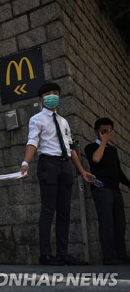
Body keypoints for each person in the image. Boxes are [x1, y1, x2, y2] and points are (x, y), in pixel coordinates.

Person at [20, 82, 93, 266]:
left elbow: (71, 147)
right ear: (41, 98)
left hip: (65, 165)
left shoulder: (64, 121)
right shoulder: (37, 119)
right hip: (48, 164)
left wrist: (82, 170)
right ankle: (45, 255)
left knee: (64, 211)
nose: (52, 95)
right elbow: (33, 141)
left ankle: (62, 254)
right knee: (48, 210)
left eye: (55, 93)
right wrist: (25, 162)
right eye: (48, 93)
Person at [84, 118, 130, 265]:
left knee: (120, 224)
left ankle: (122, 256)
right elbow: (96, 159)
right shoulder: (91, 147)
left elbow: (118, 172)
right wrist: (104, 141)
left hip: (115, 190)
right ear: (97, 132)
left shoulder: (113, 150)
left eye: (108, 131)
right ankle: (109, 257)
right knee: (107, 223)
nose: (106, 134)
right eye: (103, 131)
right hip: (101, 189)